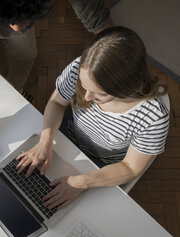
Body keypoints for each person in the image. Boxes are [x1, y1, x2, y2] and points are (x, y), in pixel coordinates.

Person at [0, 0, 113, 175]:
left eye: (26, 21)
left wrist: (120, 59)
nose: (16, 28)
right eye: (12, 20)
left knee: (27, 54)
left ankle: (16, 89)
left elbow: (98, 19)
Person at [15, 26, 170, 210]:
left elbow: (130, 168)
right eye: (83, 85)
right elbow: (57, 103)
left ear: (127, 87)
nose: (87, 97)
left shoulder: (153, 116)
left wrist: (81, 182)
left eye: (100, 94)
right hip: (66, 139)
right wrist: (45, 141)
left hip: (104, 168)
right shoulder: (80, 68)